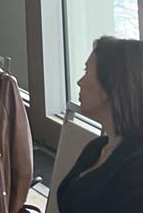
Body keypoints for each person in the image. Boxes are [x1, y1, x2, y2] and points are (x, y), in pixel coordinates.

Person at [56, 37, 143, 211]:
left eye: (86, 71)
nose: (79, 82)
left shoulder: (137, 168)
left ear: (110, 87)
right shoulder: (96, 147)